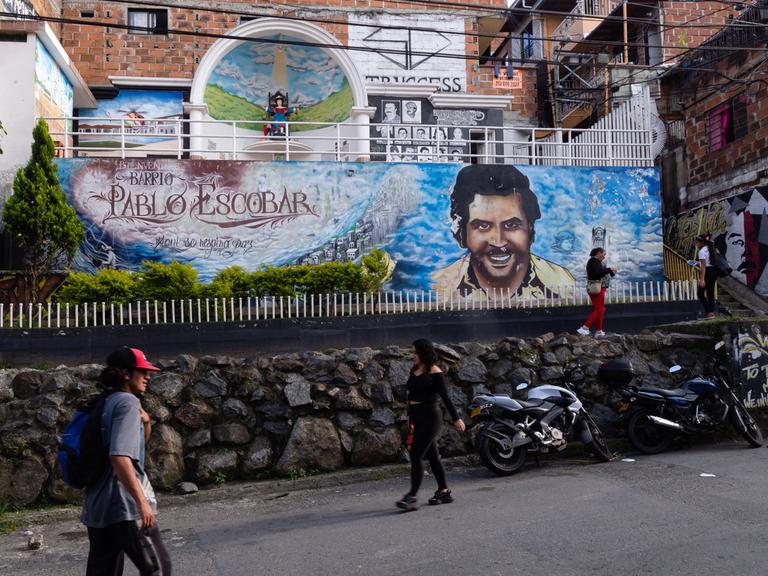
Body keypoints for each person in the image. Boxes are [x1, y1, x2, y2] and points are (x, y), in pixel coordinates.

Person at [82, 346, 172, 575]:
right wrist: (141, 503)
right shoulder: (127, 403)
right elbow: (120, 457)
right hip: (124, 506)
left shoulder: (102, 402)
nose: (148, 376)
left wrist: (147, 423)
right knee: (158, 569)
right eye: (142, 371)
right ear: (125, 374)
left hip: (98, 506)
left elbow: (133, 449)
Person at [432, 165, 575, 300]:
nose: (498, 241)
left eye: (511, 225)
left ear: (530, 228)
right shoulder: (440, 287)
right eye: (483, 226)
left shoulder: (563, 282)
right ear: (462, 234)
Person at [396, 339, 465, 511]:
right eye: (412, 352)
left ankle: (412, 496)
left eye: (415, 352)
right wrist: (410, 417)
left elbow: (446, 398)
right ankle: (444, 491)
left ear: (423, 353)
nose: (412, 356)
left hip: (431, 418)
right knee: (432, 456)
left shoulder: (435, 372)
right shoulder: (415, 369)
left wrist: (457, 419)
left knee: (416, 455)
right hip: (417, 417)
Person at [577, 247, 616, 337]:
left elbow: (600, 272)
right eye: (604, 254)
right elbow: (598, 273)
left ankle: (599, 331)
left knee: (599, 310)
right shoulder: (594, 261)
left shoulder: (595, 262)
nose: (604, 256)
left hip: (597, 288)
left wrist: (610, 271)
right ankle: (585, 327)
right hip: (597, 288)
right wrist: (609, 269)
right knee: (600, 310)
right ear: (598, 253)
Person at [694, 233, 717, 318]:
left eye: (697, 242)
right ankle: (711, 312)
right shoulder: (710, 248)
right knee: (710, 293)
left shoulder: (702, 251)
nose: (696, 244)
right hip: (713, 271)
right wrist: (698, 263)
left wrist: (702, 279)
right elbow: (707, 262)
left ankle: (708, 311)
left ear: (701, 242)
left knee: (700, 293)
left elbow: (703, 267)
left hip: (707, 272)